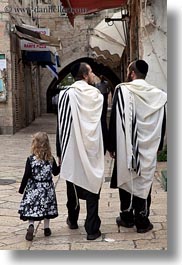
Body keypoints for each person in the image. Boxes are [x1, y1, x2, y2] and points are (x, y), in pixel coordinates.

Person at [108, 60, 167, 233]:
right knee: (144, 181)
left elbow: (115, 119)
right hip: (148, 145)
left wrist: (112, 146)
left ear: (132, 73)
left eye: (128, 70)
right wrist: (157, 146)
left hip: (126, 144)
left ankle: (127, 218)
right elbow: (162, 121)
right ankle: (142, 220)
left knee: (127, 178)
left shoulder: (123, 90)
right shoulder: (159, 95)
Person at [56, 62, 104, 240]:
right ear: (84, 75)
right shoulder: (97, 95)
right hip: (93, 147)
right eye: (90, 72)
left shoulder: (65, 95)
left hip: (72, 146)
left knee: (73, 184)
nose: (93, 74)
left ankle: (73, 219)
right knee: (93, 183)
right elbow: (102, 124)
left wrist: (60, 152)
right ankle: (92, 229)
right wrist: (107, 147)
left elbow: (61, 125)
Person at [18, 132, 60, 241]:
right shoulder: (50, 159)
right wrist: (61, 165)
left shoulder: (31, 159)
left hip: (34, 188)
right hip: (47, 189)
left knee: (32, 208)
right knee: (47, 208)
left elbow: (26, 175)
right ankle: (46, 228)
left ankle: (31, 225)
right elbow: (55, 172)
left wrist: (22, 189)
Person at [95, 75, 111, 154]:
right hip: (101, 97)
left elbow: (109, 89)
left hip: (104, 97)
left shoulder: (106, 83)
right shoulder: (97, 85)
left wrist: (107, 94)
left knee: (103, 118)